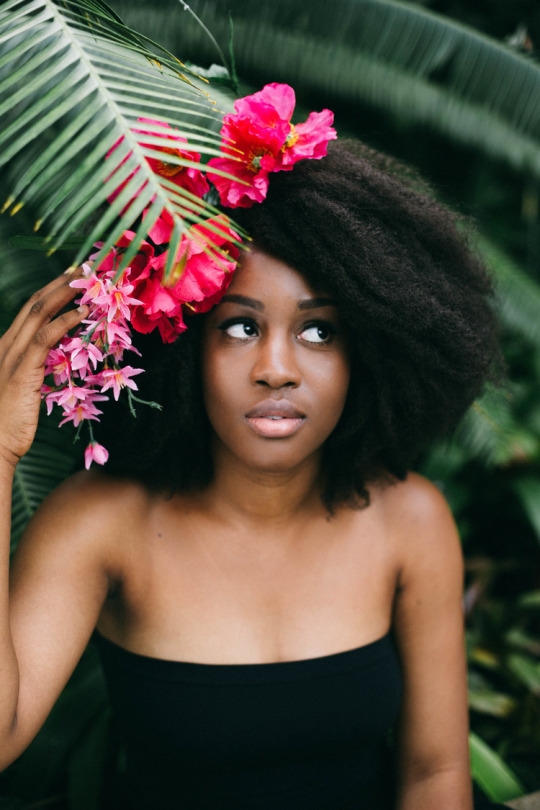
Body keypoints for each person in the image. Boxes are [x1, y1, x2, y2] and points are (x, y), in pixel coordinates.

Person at [0, 128, 507, 808]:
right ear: (182, 347)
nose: (276, 370)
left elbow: (434, 775)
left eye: (319, 330)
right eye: (239, 327)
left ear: (369, 349)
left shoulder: (408, 520)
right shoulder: (101, 521)